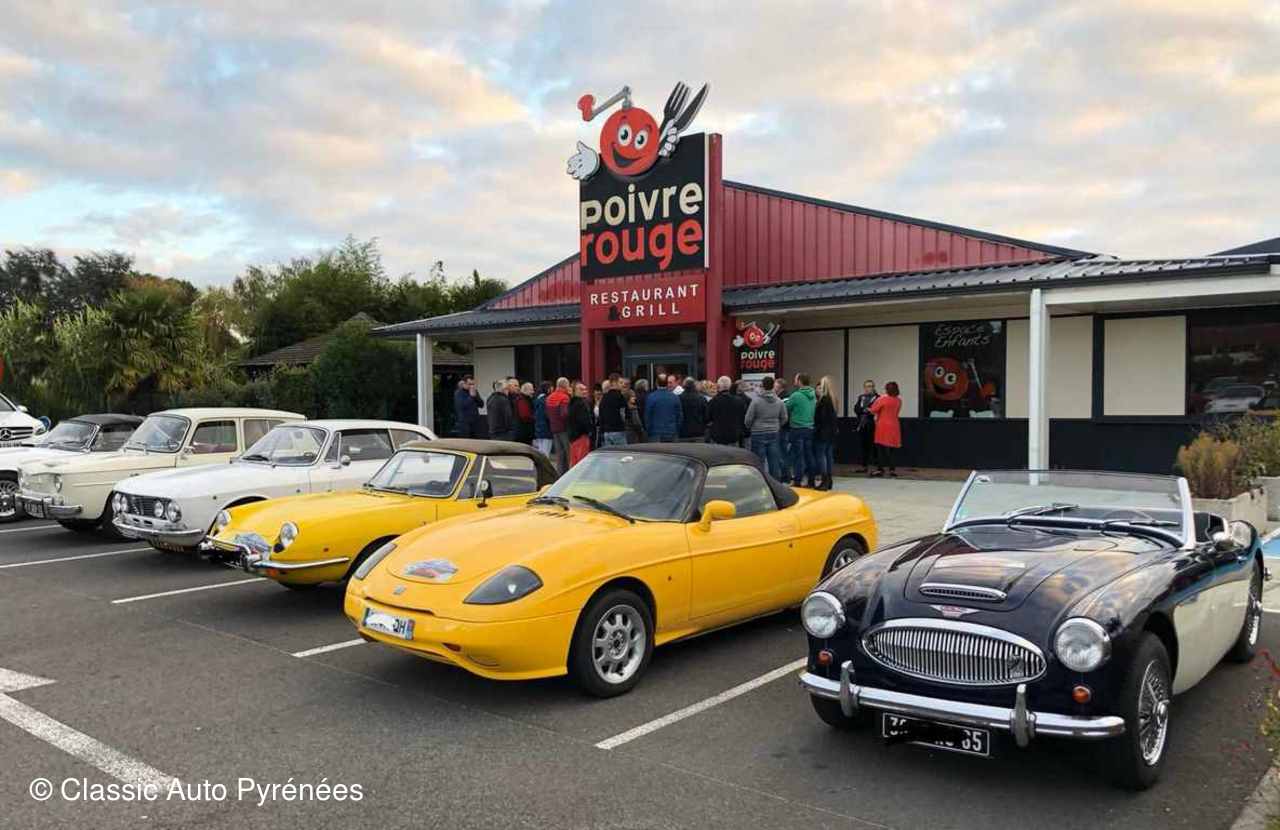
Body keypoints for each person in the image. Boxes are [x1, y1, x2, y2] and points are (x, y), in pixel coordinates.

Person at [744, 375, 788, 480]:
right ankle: (775, 483)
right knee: (774, 461)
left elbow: (748, 419)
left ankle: (760, 482)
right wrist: (777, 426)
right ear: (773, 386)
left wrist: (751, 427)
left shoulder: (756, 401)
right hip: (774, 433)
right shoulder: (779, 401)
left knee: (759, 461)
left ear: (762, 386)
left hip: (758, 433)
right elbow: (784, 418)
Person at [785, 373, 817, 487]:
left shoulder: (796, 395)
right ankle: (811, 481)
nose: (794, 381)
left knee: (798, 456)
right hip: (810, 428)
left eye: (795, 379)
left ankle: (797, 481)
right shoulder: (813, 394)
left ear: (799, 381)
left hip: (797, 429)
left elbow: (786, 407)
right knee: (809, 455)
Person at [869, 381, 903, 477]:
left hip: (883, 425)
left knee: (880, 448)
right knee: (892, 449)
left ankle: (880, 469)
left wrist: (870, 408)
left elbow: (873, 410)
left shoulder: (882, 399)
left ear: (887, 389)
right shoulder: (898, 400)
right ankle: (892, 470)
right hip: (894, 425)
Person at [813, 376, 838, 490]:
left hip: (822, 432)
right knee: (829, 456)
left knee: (821, 456)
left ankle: (824, 480)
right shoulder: (833, 399)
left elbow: (821, 418)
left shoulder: (823, 400)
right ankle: (829, 480)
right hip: (831, 432)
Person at [707, 376, 746, 445]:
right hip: (734, 435)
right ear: (730, 386)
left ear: (718, 386)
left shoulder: (713, 401)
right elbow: (743, 418)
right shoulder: (739, 401)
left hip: (717, 436)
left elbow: (707, 418)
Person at [643, 376, 683, 442]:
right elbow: (679, 416)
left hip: (655, 433)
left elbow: (647, 416)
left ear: (656, 383)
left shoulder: (651, 397)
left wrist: (648, 430)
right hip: (672, 432)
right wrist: (676, 430)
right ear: (667, 383)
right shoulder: (675, 397)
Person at [852, 379, 879, 474]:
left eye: (870, 386)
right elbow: (856, 409)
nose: (868, 388)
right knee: (863, 446)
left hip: (873, 425)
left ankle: (877, 467)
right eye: (866, 386)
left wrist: (868, 411)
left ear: (873, 387)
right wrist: (864, 410)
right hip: (862, 424)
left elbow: (876, 410)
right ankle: (864, 466)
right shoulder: (861, 397)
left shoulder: (878, 398)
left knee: (875, 447)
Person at [547, 377, 572, 473]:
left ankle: (560, 475)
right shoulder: (564, 397)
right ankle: (569, 474)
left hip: (554, 428)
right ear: (565, 385)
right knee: (569, 454)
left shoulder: (549, 397)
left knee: (560, 455)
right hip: (564, 429)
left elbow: (547, 414)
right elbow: (564, 414)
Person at [568, 381, 595, 467]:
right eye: (581, 389)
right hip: (581, 436)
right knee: (581, 462)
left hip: (573, 437)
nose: (584, 391)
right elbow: (584, 421)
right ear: (574, 391)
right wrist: (590, 431)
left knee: (575, 461)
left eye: (585, 389)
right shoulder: (581, 404)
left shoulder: (572, 403)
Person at [598, 378, 628, 446]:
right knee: (622, 452)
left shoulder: (604, 398)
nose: (623, 385)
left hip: (606, 432)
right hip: (618, 430)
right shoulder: (620, 397)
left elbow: (601, 416)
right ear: (614, 383)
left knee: (610, 452)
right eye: (620, 383)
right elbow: (623, 414)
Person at [532, 382, 553, 457]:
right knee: (545, 452)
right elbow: (547, 415)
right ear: (548, 389)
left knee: (541, 451)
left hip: (538, 428)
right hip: (546, 429)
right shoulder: (546, 400)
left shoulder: (537, 399)